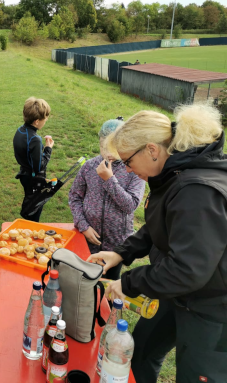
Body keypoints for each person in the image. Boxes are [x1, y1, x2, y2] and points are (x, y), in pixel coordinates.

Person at [87, 104, 227, 383]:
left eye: (127, 161)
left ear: (151, 150)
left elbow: (187, 270)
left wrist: (127, 283)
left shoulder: (197, 191)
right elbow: (159, 226)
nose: (127, 169)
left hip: (212, 309)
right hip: (177, 294)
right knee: (141, 355)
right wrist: (120, 253)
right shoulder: (172, 175)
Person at [68, 118, 145, 280]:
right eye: (103, 146)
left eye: (113, 146)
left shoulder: (132, 169)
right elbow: (74, 197)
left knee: (108, 284)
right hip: (88, 240)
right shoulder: (89, 166)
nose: (108, 151)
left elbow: (130, 205)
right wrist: (83, 225)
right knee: (83, 281)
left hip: (116, 244)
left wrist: (109, 180)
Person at [13, 97, 54, 222]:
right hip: (33, 179)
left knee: (30, 204)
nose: (46, 120)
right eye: (45, 118)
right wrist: (48, 149)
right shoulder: (35, 139)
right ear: (36, 121)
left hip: (24, 175)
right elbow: (38, 167)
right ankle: (29, 232)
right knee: (34, 210)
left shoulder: (20, 130)